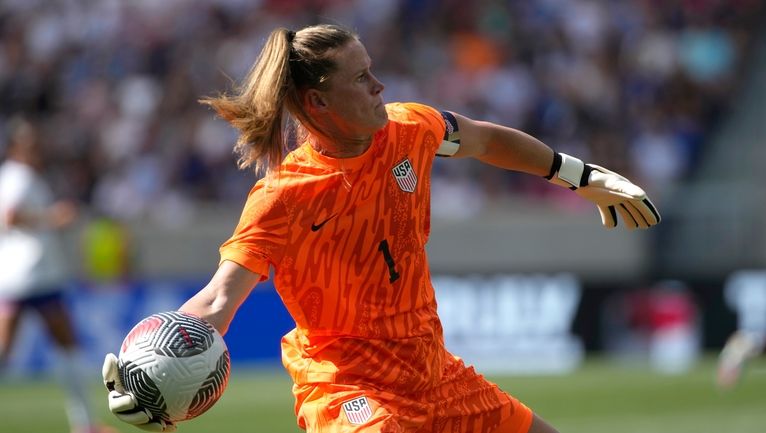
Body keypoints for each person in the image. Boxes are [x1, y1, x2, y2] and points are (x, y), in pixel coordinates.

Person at [102, 24, 661, 433]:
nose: (380, 85)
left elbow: (487, 140)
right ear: (318, 101)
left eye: (372, 70)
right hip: (349, 391)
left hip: (434, 374)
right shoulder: (282, 197)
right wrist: (145, 370)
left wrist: (579, 175)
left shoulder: (409, 129)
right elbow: (221, 296)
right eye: (362, 77)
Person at [0, 117, 114, 433]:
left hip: (16, 276)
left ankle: (86, 423)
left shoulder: (12, 175)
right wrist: (53, 218)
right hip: (34, 274)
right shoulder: (20, 177)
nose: (36, 150)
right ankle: (85, 424)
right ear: (16, 147)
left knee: (18, 350)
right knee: (67, 347)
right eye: (29, 144)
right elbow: (10, 216)